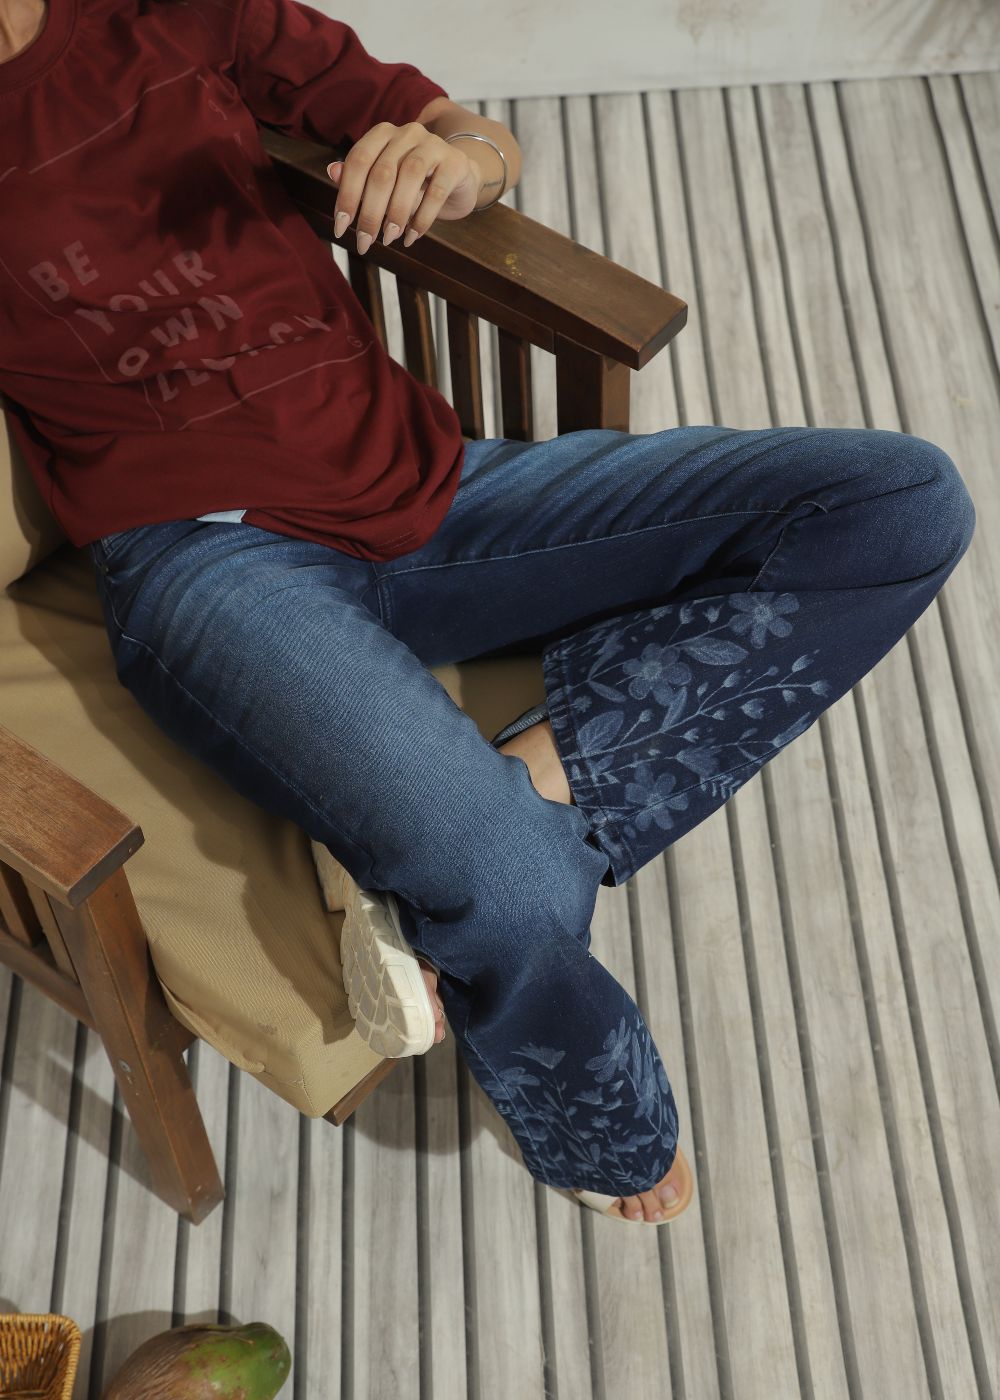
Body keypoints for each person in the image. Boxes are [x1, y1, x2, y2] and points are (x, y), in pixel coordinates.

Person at [0, 0, 977, 1229]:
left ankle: (521, 785)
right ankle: (587, 1114)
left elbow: (465, 134)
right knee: (505, 881)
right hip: (211, 559)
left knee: (900, 500)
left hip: (438, 485)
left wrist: (456, 162)